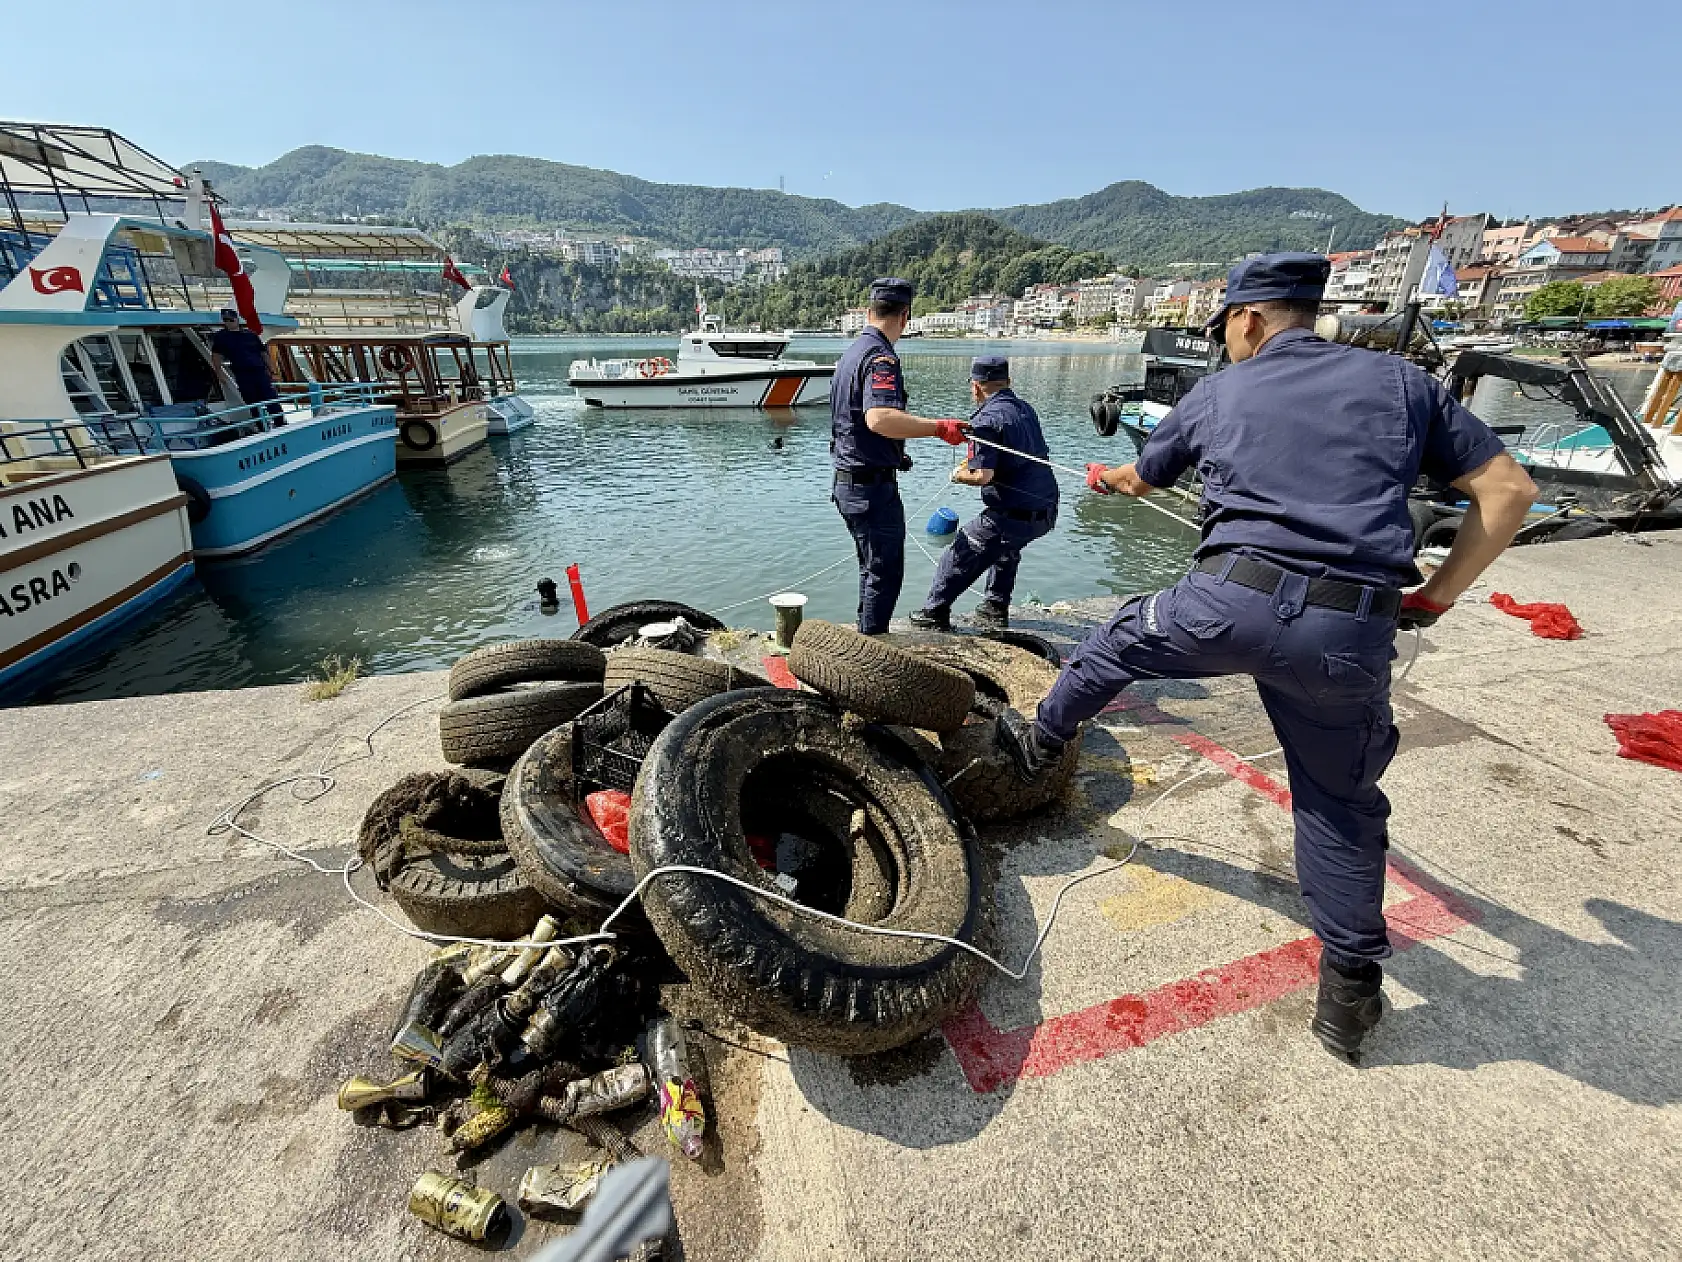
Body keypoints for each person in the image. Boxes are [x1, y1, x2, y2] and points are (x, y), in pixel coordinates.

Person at [997, 252, 1538, 1062]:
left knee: (1117, 638)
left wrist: (1108, 478)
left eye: (1226, 330)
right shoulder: (1404, 384)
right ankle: (1348, 995)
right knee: (1336, 802)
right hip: (1346, 635)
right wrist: (1437, 596)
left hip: (1224, 609)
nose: (1226, 343)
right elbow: (1510, 493)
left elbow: (1139, 480)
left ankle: (1037, 740)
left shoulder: (1218, 392)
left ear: (1247, 318)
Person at [830, 278, 968, 634]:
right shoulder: (881, 358)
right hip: (871, 491)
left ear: (867, 312)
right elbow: (880, 418)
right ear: (906, 315)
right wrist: (938, 427)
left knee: (871, 569)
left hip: (849, 482)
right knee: (885, 573)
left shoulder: (850, 354)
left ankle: (864, 639)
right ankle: (872, 653)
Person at [910, 356, 1058, 631]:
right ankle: (995, 607)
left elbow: (982, 476)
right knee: (1005, 547)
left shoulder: (986, 420)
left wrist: (957, 475)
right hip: (1047, 508)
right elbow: (1010, 456)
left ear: (976, 387)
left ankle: (934, 613)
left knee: (960, 552)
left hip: (1016, 513)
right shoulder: (1025, 409)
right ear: (1008, 382)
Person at [209, 308, 284, 424]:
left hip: (259, 371)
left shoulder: (250, 334)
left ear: (237, 320)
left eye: (231, 320)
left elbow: (263, 353)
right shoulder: (221, 337)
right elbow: (216, 355)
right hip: (242, 374)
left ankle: (280, 422)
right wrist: (219, 372)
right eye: (226, 320)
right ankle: (261, 425)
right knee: (252, 402)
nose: (228, 322)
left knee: (271, 398)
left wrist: (273, 371)